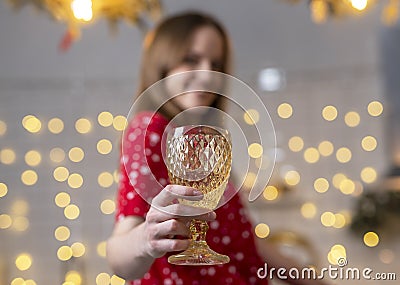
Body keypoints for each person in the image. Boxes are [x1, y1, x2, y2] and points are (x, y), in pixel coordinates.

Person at [106, 11, 329, 285]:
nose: (207, 75)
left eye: (216, 64)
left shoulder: (203, 141)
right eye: (191, 60)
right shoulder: (150, 129)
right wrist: (146, 239)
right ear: (162, 63)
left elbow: (242, 245)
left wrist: (310, 279)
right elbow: (118, 255)